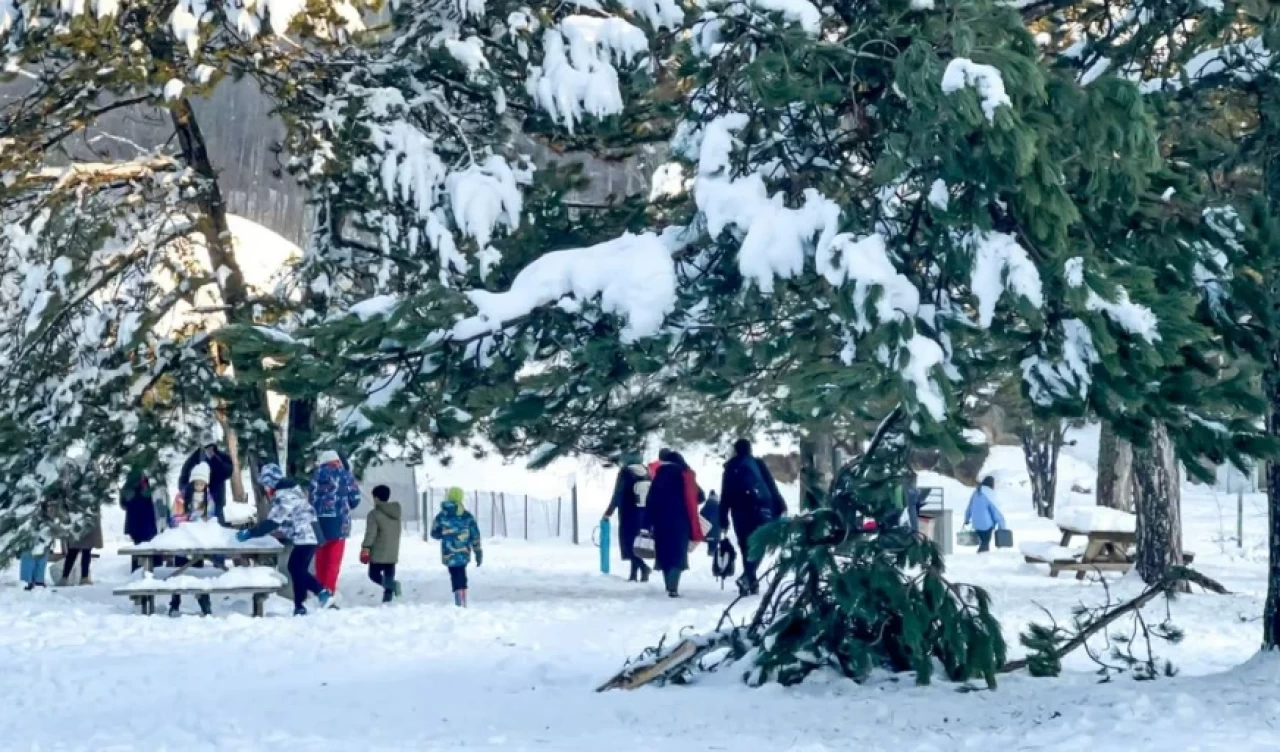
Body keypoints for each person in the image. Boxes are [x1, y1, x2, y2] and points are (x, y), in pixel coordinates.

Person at [239, 464, 331, 615]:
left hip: (306, 535)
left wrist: (250, 533)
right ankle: (300, 605)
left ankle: (319, 593)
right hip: (310, 533)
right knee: (297, 569)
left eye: (266, 484)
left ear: (271, 482)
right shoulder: (292, 490)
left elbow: (273, 521)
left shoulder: (284, 495)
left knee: (296, 568)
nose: (266, 488)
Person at [718, 439, 786, 596]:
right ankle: (747, 577)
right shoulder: (756, 463)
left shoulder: (730, 467)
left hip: (739, 512)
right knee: (759, 544)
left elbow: (725, 495)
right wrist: (779, 505)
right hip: (759, 509)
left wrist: (723, 518)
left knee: (745, 546)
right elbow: (770, 484)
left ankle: (751, 581)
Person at [647, 450, 705, 598]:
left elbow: (650, 501)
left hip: (660, 521)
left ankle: (668, 585)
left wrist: (648, 522)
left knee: (665, 553)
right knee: (678, 553)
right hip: (681, 520)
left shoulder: (658, 476)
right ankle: (673, 588)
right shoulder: (685, 475)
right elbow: (700, 496)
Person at [309, 449, 361, 599]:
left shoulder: (316, 476)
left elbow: (310, 499)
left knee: (320, 557)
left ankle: (319, 590)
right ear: (337, 461)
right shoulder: (345, 475)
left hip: (318, 522)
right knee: (333, 560)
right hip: (339, 522)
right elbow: (355, 499)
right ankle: (329, 590)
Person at [601, 453, 652, 582]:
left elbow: (618, 494)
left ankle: (643, 568)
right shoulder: (646, 472)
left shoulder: (625, 472)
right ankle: (634, 574)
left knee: (628, 543)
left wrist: (608, 512)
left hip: (628, 513)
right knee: (636, 543)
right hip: (643, 513)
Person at [431, 487, 483, 607]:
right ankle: (463, 595)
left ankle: (458, 597)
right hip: (463, 551)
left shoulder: (441, 516)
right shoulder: (467, 516)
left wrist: (444, 534)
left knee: (454, 573)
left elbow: (434, 533)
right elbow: (475, 535)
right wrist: (478, 551)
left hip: (448, 552)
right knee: (462, 572)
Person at [178, 431, 234, 525]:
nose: (209, 449)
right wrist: (186, 492)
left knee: (217, 524)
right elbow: (183, 478)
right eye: (207, 447)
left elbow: (228, 472)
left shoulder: (221, 456)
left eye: (211, 446)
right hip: (198, 497)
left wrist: (215, 459)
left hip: (216, 497)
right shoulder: (194, 459)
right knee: (200, 524)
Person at [360, 485, 402, 604]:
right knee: (389, 574)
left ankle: (392, 586)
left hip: (378, 551)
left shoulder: (374, 514)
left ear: (376, 498)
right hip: (392, 551)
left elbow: (370, 533)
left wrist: (365, 547)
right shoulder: (396, 513)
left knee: (373, 575)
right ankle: (388, 599)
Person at [60, 506, 103, 587]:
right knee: (85, 551)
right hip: (87, 519)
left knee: (72, 552)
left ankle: (65, 578)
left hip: (76, 518)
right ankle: (84, 577)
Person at [964, 476, 1007, 553]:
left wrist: (966, 519)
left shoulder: (976, 492)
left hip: (976, 523)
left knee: (983, 542)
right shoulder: (989, 494)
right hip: (986, 524)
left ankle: (982, 558)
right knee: (985, 543)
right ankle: (981, 559)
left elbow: (969, 507)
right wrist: (1002, 526)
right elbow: (996, 512)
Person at [19, 500, 55, 590]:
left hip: (47, 517)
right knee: (30, 549)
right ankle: (27, 580)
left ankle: (39, 579)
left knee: (43, 549)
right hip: (31, 515)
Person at [701, 490, 721, 556]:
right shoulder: (719, 507)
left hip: (707, 532)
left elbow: (700, 517)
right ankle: (713, 553)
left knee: (711, 541)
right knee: (714, 542)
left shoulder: (706, 507)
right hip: (716, 534)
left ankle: (711, 552)